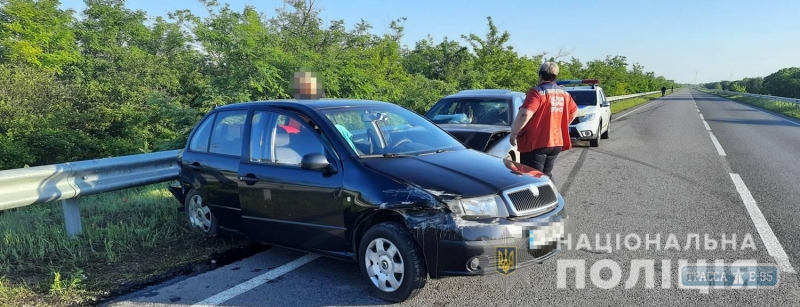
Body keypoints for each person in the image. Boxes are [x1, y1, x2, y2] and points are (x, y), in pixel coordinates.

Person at [509, 62, 578, 181]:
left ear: (540, 75)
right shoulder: (564, 94)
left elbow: (525, 114)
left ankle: (544, 199)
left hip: (536, 143)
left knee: (532, 178)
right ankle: (554, 198)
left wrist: (514, 133)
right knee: (546, 176)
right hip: (556, 142)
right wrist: (560, 126)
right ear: (555, 76)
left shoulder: (537, 93)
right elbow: (574, 112)